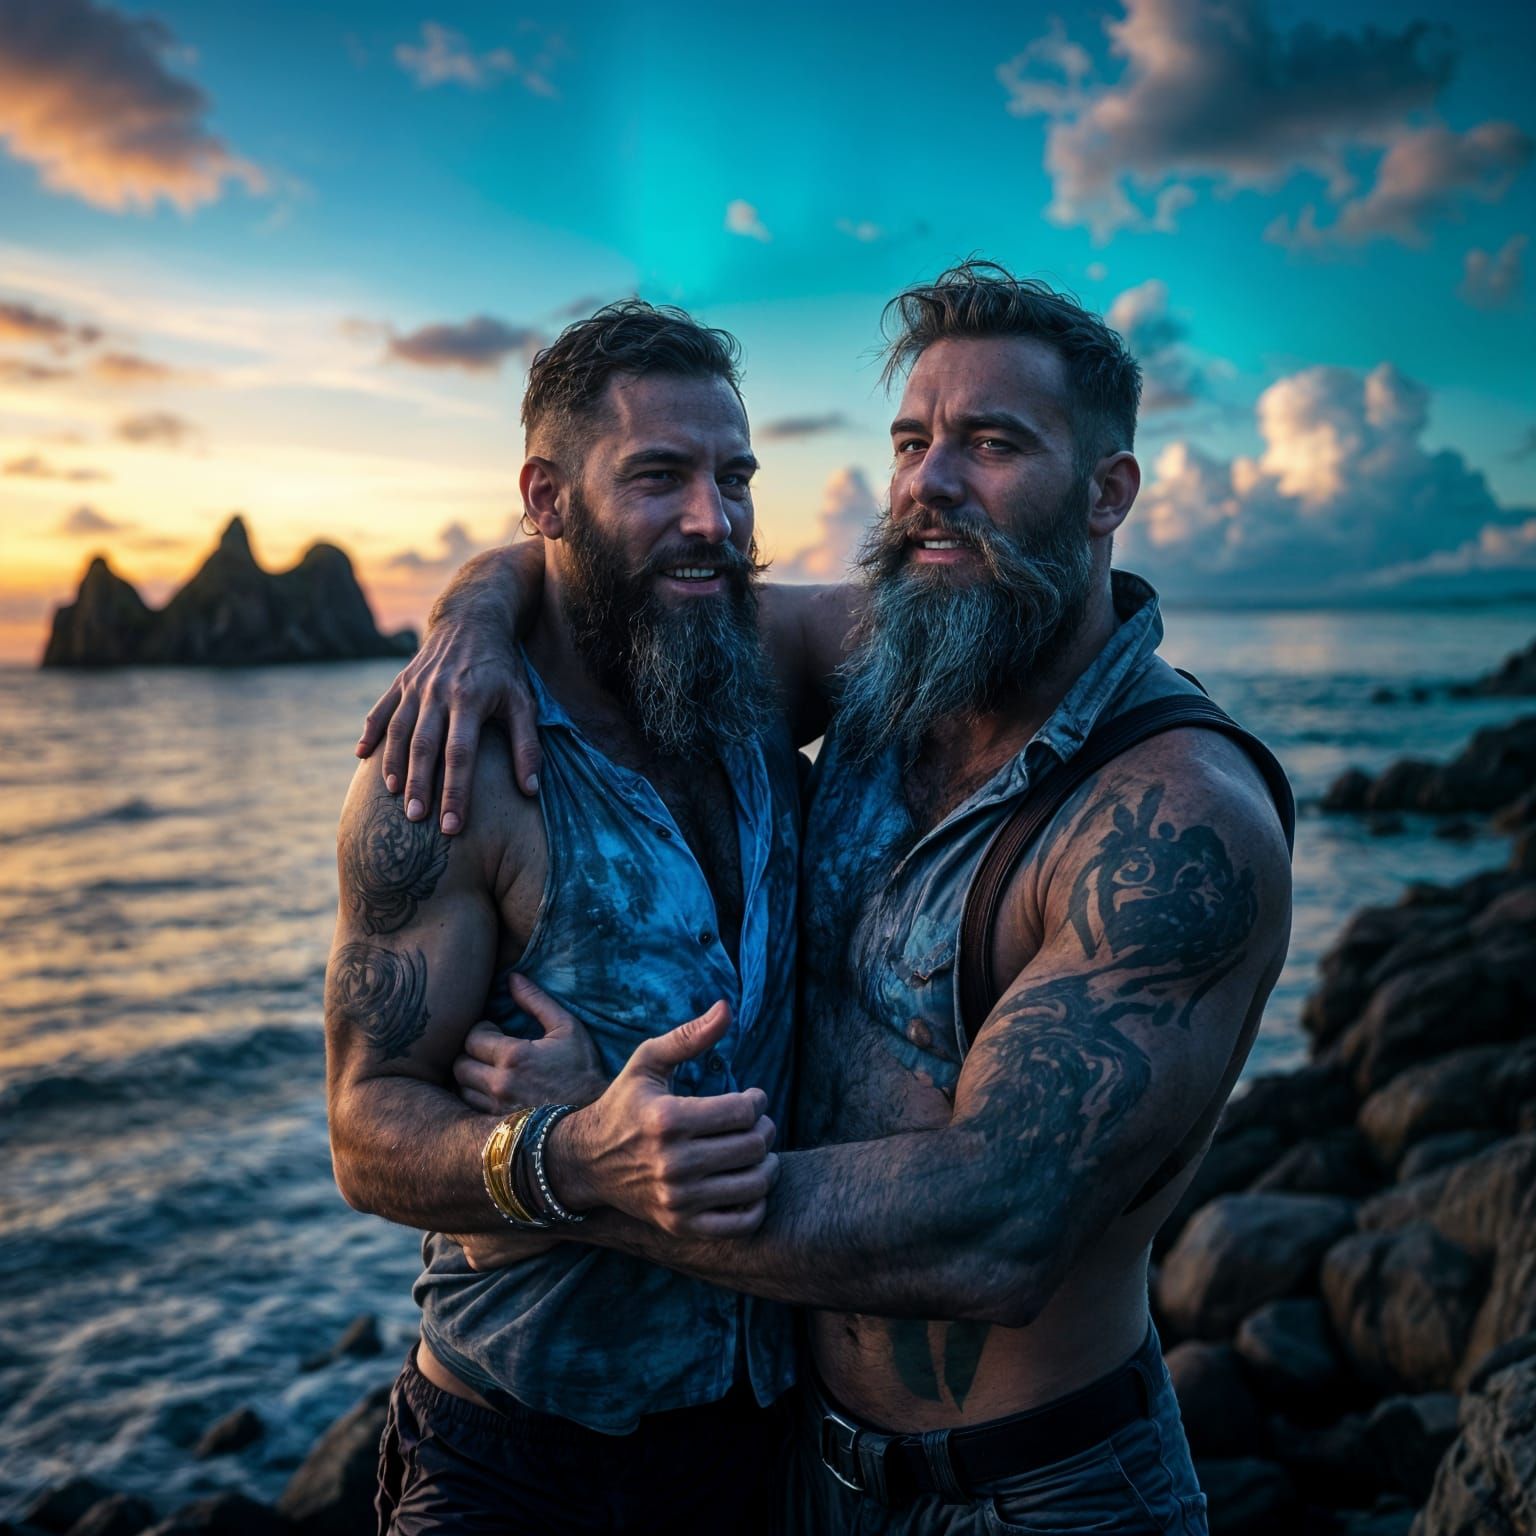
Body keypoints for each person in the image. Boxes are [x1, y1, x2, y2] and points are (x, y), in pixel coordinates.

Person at [362, 261, 1295, 1534]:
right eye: (912, 443)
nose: (930, 484)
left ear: (1107, 492)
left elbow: (994, 1232)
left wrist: (593, 1166)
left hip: (1037, 1490)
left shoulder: (1177, 823)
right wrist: (472, 617)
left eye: (992, 444)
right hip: (793, 1474)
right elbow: (611, 576)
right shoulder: (892, 661)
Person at [325, 300, 803, 1534]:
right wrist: (573, 1155)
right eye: (658, 476)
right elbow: (365, 1128)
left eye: (734, 478)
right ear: (547, 497)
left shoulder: (757, 668)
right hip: (518, 1457)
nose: (713, 520)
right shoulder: (451, 768)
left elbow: (996, 632)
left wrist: (471, 604)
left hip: (773, 1441)